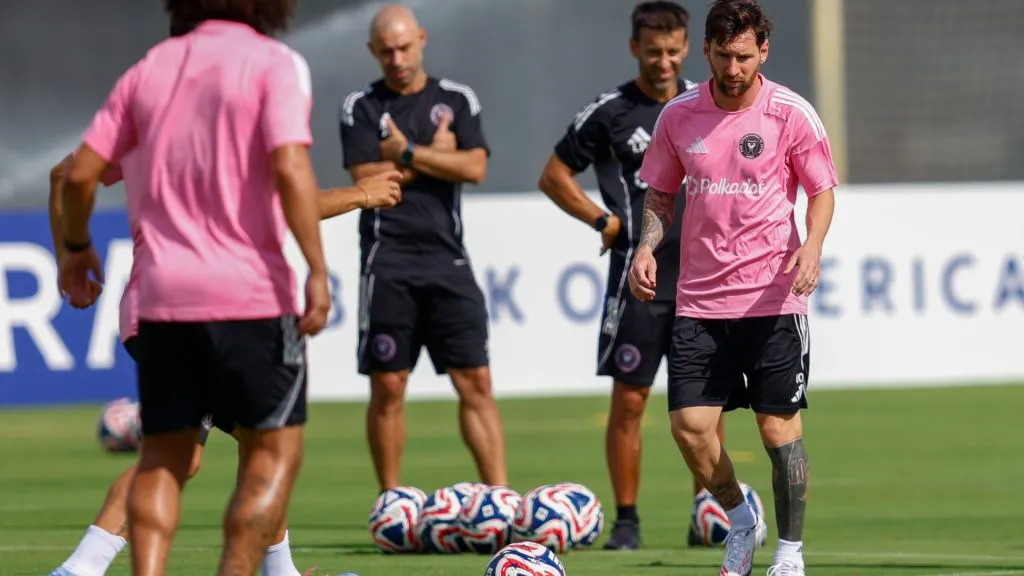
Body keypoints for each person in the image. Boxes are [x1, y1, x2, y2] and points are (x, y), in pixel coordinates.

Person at [57, 0, 342, 573]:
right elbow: (289, 169)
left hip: (160, 301)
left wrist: (73, 250)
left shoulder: (149, 70)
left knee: (166, 457)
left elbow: (72, 175)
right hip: (250, 297)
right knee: (273, 451)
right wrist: (315, 267)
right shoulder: (273, 63)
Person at [46, 149, 399, 576]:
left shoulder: (142, 111)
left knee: (225, 449)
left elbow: (65, 173)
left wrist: (70, 253)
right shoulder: (233, 119)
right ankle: (79, 569)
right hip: (211, 314)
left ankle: (81, 568)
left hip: (151, 310)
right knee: (254, 447)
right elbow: (281, 206)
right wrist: (361, 194)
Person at [629, 0, 837, 574]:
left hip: (772, 296)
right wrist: (646, 245)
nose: (734, 67)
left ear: (763, 51)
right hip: (700, 299)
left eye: (744, 56)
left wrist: (812, 245)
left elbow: (821, 190)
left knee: (778, 430)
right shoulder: (678, 115)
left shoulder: (790, 113)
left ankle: (790, 556)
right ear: (707, 52)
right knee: (691, 429)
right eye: (723, 55)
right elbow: (662, 193)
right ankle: (741, 519)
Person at [537, 1, 727, 551]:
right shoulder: (610, 112)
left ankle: (708, 514)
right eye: (653, 52)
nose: (663, 62)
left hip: (703, 281)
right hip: (637, 281)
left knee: (707, 407)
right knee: (631, 402)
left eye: (672, 51)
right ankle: (626, 521)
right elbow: (552, 176)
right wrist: (603, 219)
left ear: (687, 48)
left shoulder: (706, 105)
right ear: (633, 49)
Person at [339, 4, 508, 493]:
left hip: (447, 259)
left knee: (475, 380)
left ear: (421, 40)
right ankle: (390, 500)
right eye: (385, 50)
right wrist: (440, 156)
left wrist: (407, 153)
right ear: (373, 51)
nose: (396, 58)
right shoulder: (360, 107)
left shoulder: (456, 98)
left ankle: (501, 500)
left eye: (404, 47)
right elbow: (366, 180)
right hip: (386, 260)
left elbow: (476, 168)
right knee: (388, 385)